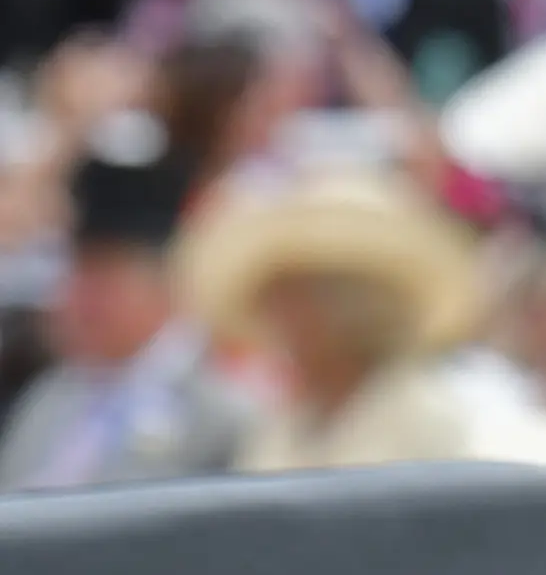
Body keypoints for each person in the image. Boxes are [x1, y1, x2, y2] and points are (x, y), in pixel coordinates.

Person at [177, 167, 482, 473]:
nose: (279, 320)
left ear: (348, 307)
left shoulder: (426, 416)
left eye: (293, 299)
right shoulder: (283, 423)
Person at [0, 135, 245, 491]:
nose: (78, 297)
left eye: (104, 274)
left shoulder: (219, 414)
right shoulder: (48, 397)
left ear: (166, 280)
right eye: (76, 272)